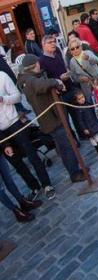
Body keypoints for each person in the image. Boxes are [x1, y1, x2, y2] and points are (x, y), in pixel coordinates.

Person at [18, 54, 86, 183]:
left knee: (66, 146)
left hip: (52, 118)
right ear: (33, 66)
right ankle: (75, 173)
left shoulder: (29, 78)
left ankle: (77, 169)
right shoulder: (30, 80)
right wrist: (57, 82)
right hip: (51, 120)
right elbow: (42, 85)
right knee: (66, 148)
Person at [0, 66, 55, 201]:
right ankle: (33, 186)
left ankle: (46, 184)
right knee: (16, 163)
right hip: (1, 132)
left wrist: (3, 99)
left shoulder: (2, 76)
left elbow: (17, 96)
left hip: (14, 122)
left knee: (31, 155)